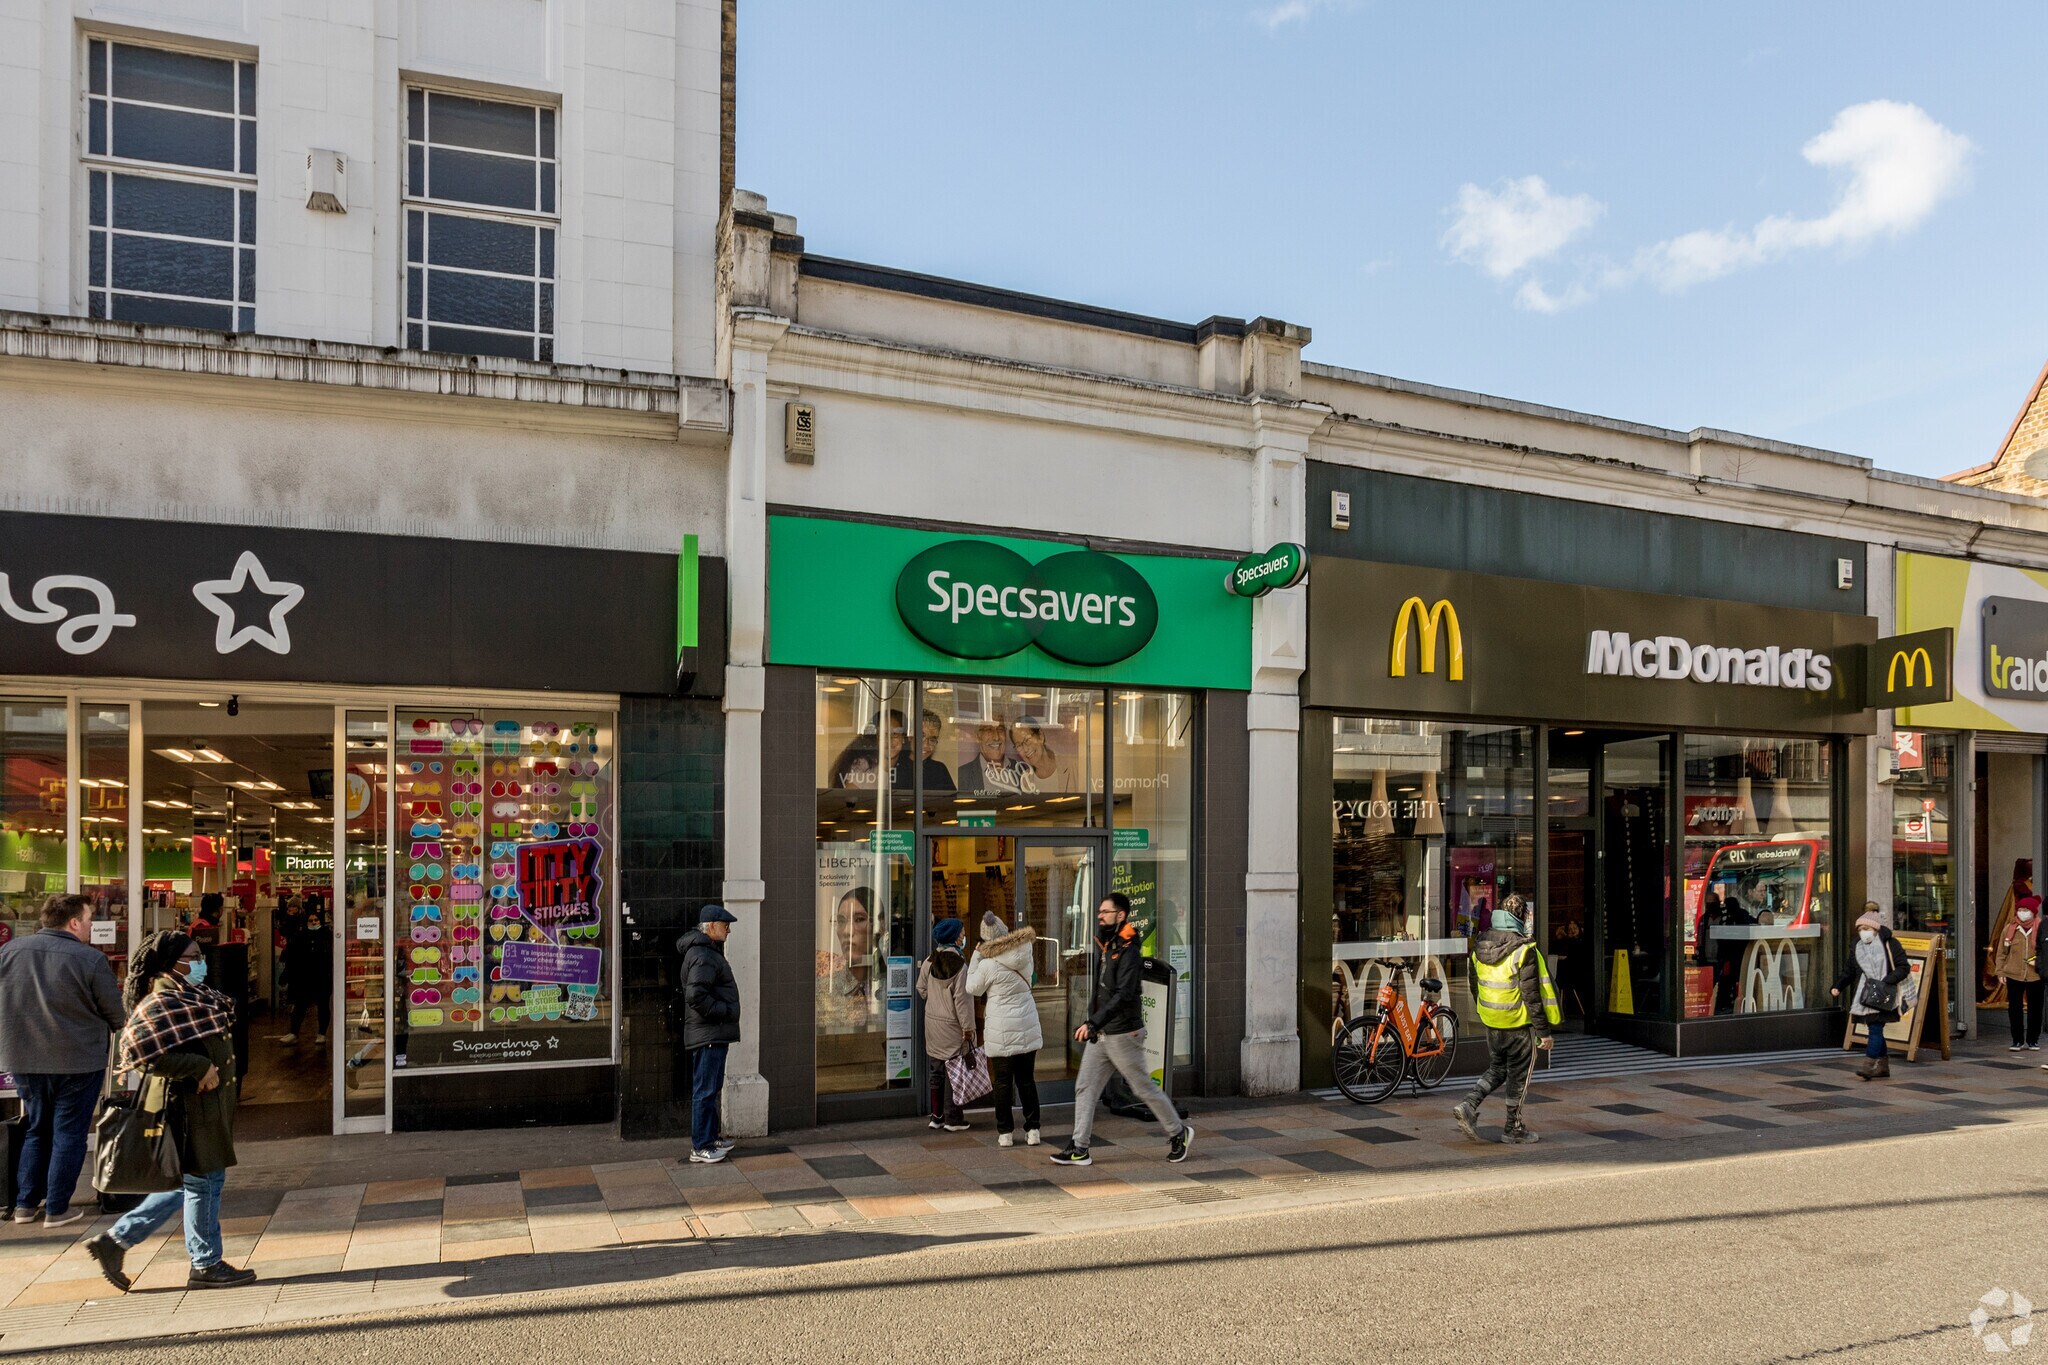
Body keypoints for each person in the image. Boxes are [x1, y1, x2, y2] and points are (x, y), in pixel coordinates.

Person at [83, 931, 256, 1291]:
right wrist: (197, 1067)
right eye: (192, 957)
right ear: (171, 964)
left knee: (192, 1183)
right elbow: (138, 1054)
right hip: (188, 1110)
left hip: (206, 1107)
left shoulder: (194, 996)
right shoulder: (161, 1001)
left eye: (200, 956)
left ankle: (116, 1241)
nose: (200, 963)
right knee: (203, 1182)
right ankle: (205, 1263)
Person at [0, 894, 126, 1227]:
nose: (90, 926)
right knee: (69, 1132)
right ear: (73, 922)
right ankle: (57, 1208)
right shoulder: (90, 960)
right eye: (87, 919)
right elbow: (116, 1014)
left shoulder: (9, 952)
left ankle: (25, 1206)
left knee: (37, 1130)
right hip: (78, 1060)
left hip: (23, 1058)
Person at [1050, 893, 1191, 1167]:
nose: (1100, 915)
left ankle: (1178, 1133)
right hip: (1103, 1034)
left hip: (1124, 1034)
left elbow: (1124, 994)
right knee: (1085, 1087)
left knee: (1143, 1089)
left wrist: (1094, 1022)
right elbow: (1103, 990)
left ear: (1121, 915)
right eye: (1099, 911)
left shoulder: (1129, 949)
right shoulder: (1110, 944)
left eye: (1106, 911)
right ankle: (1080, 1147)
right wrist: (1093, 1023)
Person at [1452, 895, 1561, 1145]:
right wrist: (1544, 1033)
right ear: (1522, 917)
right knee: (1518, 1077)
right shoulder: (1523, 950)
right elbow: (1531, 995)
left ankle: (1469, 1104)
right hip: (1517, 1023)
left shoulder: (1480, 945)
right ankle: (1514, 1128)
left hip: (1492, 1020)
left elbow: (1474, 984)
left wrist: (1486, 1012)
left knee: (1498, 1068)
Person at [965, 910, 1042, 1147]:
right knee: (1026, 1080)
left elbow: (972, 988)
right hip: (1027, 1024)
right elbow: (1033, 978)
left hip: (1001, 1029)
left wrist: (976, 957)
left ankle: (1005, 1132)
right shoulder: (1025, 953)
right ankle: (1033, 1130)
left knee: (1002, 1082)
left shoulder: (987, 964)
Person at [677, 905, 741, 1163]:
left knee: (711, 1088)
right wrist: (723, 1011)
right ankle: (700, 1146)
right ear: (711, 927)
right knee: (705, 1090)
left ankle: (710, 1137)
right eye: (724, 925)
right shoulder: (703, 955)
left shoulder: (706, 952)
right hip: (708, 1035)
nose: (728, 929)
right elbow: (695, 995)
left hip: (711, 1034)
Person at [1832, 904, 1912, 1080]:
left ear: (1875, 929)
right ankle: (1883, 1067)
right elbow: (1850, 970)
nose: (1863, 932)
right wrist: (1838, 986)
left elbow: (1903, 967)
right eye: (1860, 929)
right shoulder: (1857, 946)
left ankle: (1868, 1066)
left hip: (1884, 994)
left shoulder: (1890, 944)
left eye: (1866, 928)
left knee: (1875, 1029)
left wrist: (1885, 982)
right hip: (1866, 996)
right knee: (1875, 1029)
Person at [916, 918, 976, 1131]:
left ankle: (937, 1116)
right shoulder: (960, 965)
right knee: (954, 1072)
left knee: (936, 1070)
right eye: (961, 933)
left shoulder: (929, 961)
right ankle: (954, 1119)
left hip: (932, 1025)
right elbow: (963, 1002)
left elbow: (921, 988)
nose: (963, 936)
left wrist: (935, 1003)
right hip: (952, 1027)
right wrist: (968, 1030)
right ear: (954, 937)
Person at [1994, 895, 2043, 1052]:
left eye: (2026, 910)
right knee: (2014, 1009)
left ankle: (2033, 1040)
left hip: (2036, 975)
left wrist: (2040, 963)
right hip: (2013, 974)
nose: (2022, 913)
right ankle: (2017, 1040)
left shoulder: (2042, 928)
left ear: (2033, 912)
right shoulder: (2010, 928)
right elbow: (2001, 952)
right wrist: (2000, 971)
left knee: (2035, 1009)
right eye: (2020, 910)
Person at [280, 903, 332, 1045]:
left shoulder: (327, 935)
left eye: (316, 920)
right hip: (304, 978)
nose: (314, 923)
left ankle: (322, 1033)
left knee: (323, 1006)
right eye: (311, 921)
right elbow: (292, 956)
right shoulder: (300, 936)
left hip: (322, 977)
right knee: (300, 1005)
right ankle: (294, 1033)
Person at [956, 719, 1025, 795]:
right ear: (978, 736)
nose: (996, 737)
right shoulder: (962, 775)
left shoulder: (1022, 770)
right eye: (989, 730)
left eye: (1000, 729)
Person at [893, 710, 956, 792]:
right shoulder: (894, 766)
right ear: (910, 736)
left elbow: (950, 801)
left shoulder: (939, 770)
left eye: (932, 739)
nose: (926, 744)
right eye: (921, 736)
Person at [1011, 719, 1079, 793]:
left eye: (1027, 739)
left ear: (1041, 736)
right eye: (1019, 745)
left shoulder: (1072, 765)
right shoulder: (1025, 780)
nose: (1026, 749)